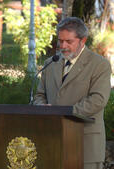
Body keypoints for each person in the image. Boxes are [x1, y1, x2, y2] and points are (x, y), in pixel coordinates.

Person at [33, 17, 112, 169]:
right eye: (60, 41)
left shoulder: (100, 65)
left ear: (83, 41)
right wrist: (42, 107)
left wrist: (64, 113)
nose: (63, 46)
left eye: (69, 41)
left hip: (85, 145)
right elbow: (39, 95)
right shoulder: (50, 63)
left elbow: (98, 100)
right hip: (52, 142)